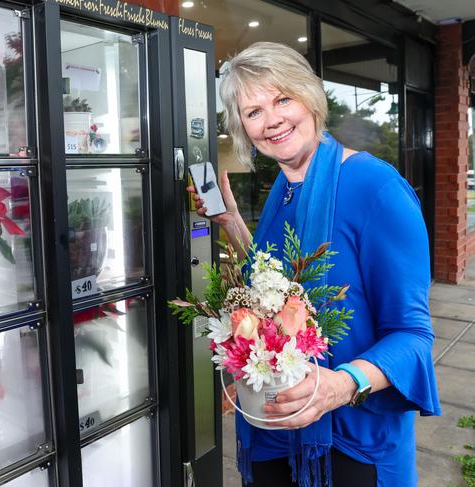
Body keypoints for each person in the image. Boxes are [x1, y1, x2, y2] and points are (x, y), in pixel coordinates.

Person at [188, 42, 441, 487]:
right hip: (273, 429)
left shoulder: (376, 189)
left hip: (350, 442)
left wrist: (339, 386)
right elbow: (279, 288)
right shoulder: (282, 192)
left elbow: (413, 337)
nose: (272, 120)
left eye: (283, 99)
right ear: (243, 128)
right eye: (254, 112)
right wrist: (230, 223)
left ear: (311, 96)